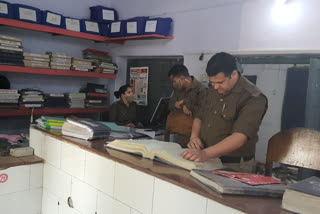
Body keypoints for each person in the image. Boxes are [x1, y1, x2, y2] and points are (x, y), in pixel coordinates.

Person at [181, 52, 268, 172]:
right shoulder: (213, 90)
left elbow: (240, 137)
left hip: (233, 164)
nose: (215, 87)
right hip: (206, 158)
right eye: (212, 83)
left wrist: (205, 154)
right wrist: (194, 137)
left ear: (233, 74)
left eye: (220, 82)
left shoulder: (253, 97)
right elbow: (199, 116)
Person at [167, 64, 206, 147]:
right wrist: (177, 105)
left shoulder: (201, 89)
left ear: (182, 78)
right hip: (176, 131)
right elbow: (170, 105)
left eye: (174, 81)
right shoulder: (178, 89)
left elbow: (204, 111)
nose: (173, 84)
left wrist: (188, 106)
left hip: (192, 134)